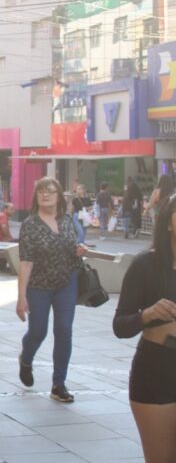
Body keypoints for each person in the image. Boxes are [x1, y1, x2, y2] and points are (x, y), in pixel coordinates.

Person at [114, 195, 176, 463]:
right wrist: (147, 315)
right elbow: (120, 326)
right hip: (157, 371)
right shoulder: (145, 265)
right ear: (169, 222)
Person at [16, 177, 87, 403]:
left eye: (50, 191)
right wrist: (21, 296)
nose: (45, 195)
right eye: (41, 192)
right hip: (39, 286)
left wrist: (79, 250)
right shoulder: (30, 224)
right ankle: (26, 359)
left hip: (67, 282)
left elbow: (73, 246)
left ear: (58, 196)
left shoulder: (67, 220)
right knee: (38, 331)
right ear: (36, 197)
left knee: (64, 330)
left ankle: (59, 384)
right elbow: (26, 262)